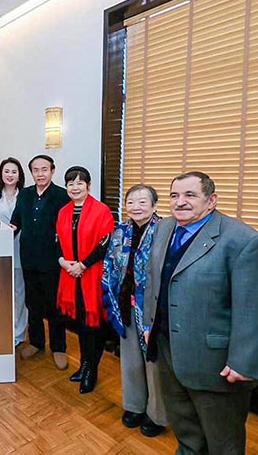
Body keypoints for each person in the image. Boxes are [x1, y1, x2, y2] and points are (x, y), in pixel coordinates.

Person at [143, 171, 258, 454]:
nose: (180, 202)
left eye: (190, 195)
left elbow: (254, 308)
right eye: (174, 196)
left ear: (211, 200)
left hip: (215, 363)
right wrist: (148, 323)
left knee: (222, 441)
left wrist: (244, 362)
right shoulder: (164, 228)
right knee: (186, 430)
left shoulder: (243, 241)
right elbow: (154, 278)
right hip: (168, 351)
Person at [101, 184, 167, 437]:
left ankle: (156, 414)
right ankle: (134, 406)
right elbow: (109, 263)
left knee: (154, 362)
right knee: (130, 360)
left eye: (142, 202)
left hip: (151, 307)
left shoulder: (164, 231)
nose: (136, 207)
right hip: (125, 303)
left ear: (154, 205)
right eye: (131, 202)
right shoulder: (120, 232)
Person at [55, 166, 113, 393]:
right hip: (70, 276)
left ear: (88, 186)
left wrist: (83, 265)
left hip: (91, 276)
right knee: (80, 324)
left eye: (80, 183)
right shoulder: (63, 212)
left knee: (92, 326)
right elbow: (58, 240)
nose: (75, 187)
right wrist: (63, 261)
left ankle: (92, 370)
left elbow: (104, 243)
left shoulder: (101, 211)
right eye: (70, 183)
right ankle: (84, 365)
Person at [10, 154, 70, 370]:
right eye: (36, 170)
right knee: (32, 304)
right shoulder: (24, 195)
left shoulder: (62, 196)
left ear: (52, 171)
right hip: (28, 258)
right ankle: (36, 342)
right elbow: (16, 221)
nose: (40, 173)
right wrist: (5, 231)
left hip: (52, 260)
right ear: (32, 173)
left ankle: (59, 347)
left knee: (54, 306)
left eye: (44, 169)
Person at [0, 157, 28, 346]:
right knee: (0, 292)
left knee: (19, 292)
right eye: (6, 171)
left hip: (20, 247)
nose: (10, 175)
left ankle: (18, 333)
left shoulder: (26, 195)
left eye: (14, 171)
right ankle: (1, 328)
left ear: (19, 174)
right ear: (1, 174)